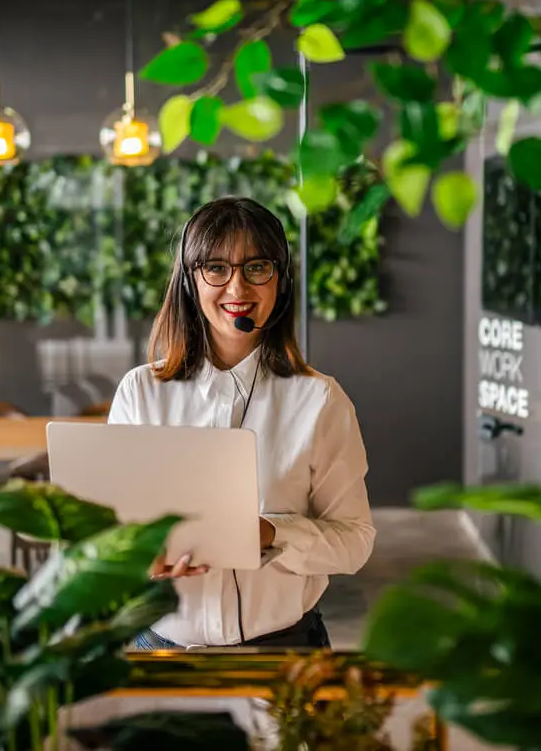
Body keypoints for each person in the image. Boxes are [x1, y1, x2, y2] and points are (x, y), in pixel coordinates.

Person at [108, 196, 376, 650]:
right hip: (160, 651)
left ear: (280, 282)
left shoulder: (319, 400)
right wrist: (137, 556)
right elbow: (108, 530)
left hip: (284, 652)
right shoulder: (141, 392)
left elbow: (355, 541)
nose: (237, 288)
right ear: (191, 282)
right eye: (216, 268)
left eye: (256, 268)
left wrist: (273, 533)